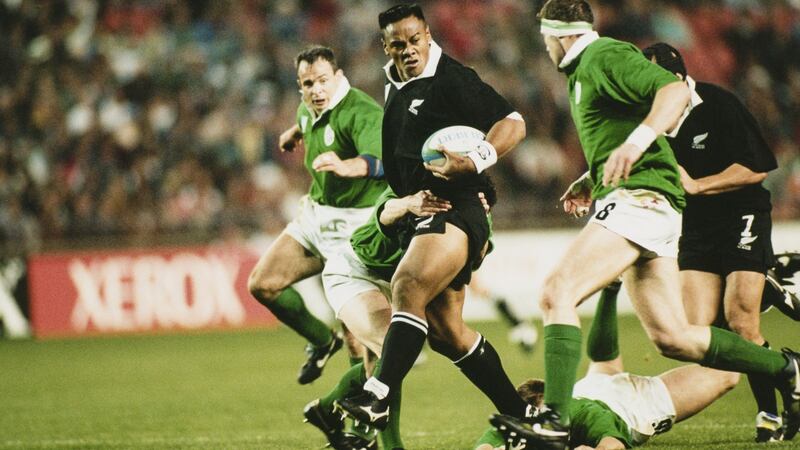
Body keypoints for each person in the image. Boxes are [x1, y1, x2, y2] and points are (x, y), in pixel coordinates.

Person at [492, 2, 800, 449]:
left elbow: (674, 94)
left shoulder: (603, 56)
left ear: (559, 34)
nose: (544, 48)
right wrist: (590, 178)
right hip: (643, 201)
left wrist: (636, 146)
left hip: (641, 200)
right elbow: (624, 128)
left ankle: (555, 419)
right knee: (673, 338)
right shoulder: (584, 72)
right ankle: (785, 369)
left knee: (556, 292)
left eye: (545, 39)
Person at [337, 2, 529, 429]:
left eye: (414, 39)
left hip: (455, 206)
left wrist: (477, 158)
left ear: (428, 35)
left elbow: (513, 122)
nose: (407, 50)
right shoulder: (396, 86)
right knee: (445, 332)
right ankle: (523, 415)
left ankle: (377, 396)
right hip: (422, 212)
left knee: (407, 284)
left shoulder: (452, 79)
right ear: (385, 47)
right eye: (397, 44)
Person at [643, 42, 783, 442]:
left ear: (675, 78)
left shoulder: (719, 104)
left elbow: (756, 169)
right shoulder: (651, 120)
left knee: (741, 321)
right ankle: (769, 300)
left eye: (653, 82)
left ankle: (770, 414)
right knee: (696, 331)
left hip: (741, 216)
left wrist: (698, 186)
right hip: (698, 230)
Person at [247, 45, 388, 385]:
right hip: (316, 217)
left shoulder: (362, 112)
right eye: (308, 84)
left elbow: (382, 164)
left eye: (323, 81)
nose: (316, 90)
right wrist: (292, 134)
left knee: (361, 341)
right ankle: (322, 341)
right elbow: (305, 120)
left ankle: (358, 429)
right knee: (263, 285)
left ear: (338, 77)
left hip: (356, 227)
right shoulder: (308, 107)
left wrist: (346, 166)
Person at [485, 282, 741, 450]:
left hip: (636, 402)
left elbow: (613, 445)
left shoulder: (581, 413)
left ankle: (744, 314)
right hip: (593, 385)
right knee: (603, 361)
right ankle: (611, 289)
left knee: (728, 375)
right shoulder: (517, 419)